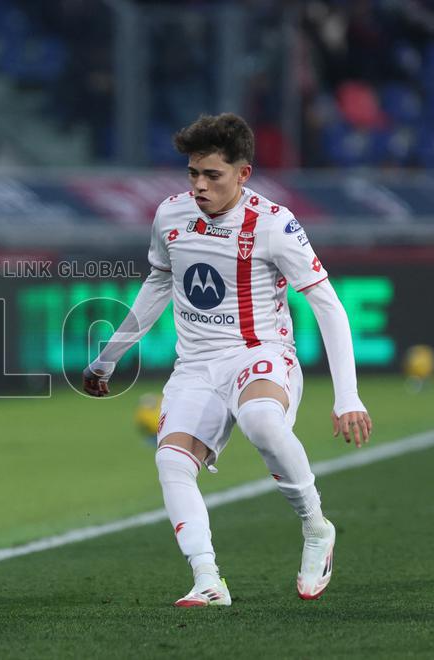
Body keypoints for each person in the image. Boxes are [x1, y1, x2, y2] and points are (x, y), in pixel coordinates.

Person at [83, 113, 372, 606]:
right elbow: (158, 285)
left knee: (261, 419)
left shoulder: (274, 223)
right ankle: (207, 580)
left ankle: (315, 526)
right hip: (196, 365)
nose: (199, 185)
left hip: (260, 353)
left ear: (243, 174)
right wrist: (108, 358)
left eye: (212, 175)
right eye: (193, 173)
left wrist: (348, 396)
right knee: (171, 461)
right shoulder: (170, 216)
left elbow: (327, 304)